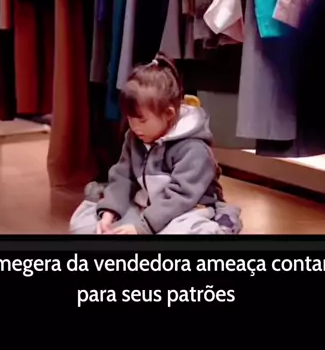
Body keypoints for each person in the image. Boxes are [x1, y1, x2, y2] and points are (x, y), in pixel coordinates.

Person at [69, 53, 242, 235]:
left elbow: (181, 197)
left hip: (187, 211)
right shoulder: (134, 138)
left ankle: (222, 222)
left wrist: (142, 228)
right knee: (82, 226)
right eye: (130, 118)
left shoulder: (194, 149)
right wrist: (109, 213)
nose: (135, 127)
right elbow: (122, 177)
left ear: (168, 114)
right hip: (146, 207)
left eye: (142, 120)